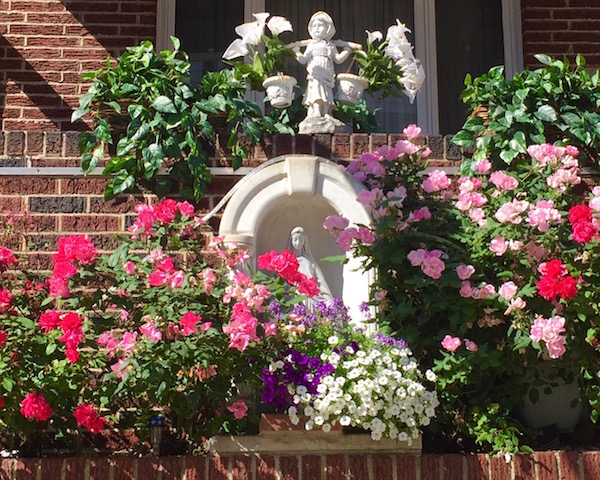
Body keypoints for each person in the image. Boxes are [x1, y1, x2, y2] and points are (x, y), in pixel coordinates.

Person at [289, 12, 360, 120]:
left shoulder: (330, 45)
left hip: (327, 72)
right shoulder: (311, 45)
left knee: (327, 91)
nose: (316, 28)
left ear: (328, 28)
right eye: (314, 26)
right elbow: (303, 60)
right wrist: (295, 51)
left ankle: (326, 112)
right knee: (316, 89)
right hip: (315, 72)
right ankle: (316, 110)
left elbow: (338, 59)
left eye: (320, 25)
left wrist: (347, 50)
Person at [286, 226, 333, 310]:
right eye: (295, 240)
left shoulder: (309, 262)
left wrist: (328, 299)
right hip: (294, 297)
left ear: (305, 241)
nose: (298, 243)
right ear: (291, 241)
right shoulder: (287, 262)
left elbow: (321, 283)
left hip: (310, 298)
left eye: (301, 240)